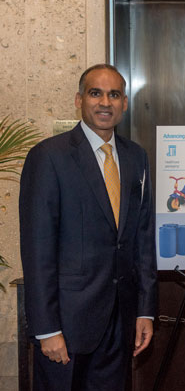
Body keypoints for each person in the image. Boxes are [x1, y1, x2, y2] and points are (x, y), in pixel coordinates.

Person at [19, 64, 158, 390]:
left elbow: (143, 238)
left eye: (114, 95)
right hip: (65, 326)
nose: (105, 102)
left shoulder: (136, 157)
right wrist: (47, 329)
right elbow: (37, 249)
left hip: (120, 321)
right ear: (79, 100)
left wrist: (145, 311)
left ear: (125, 103)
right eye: (96, 93)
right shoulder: (49, 157)